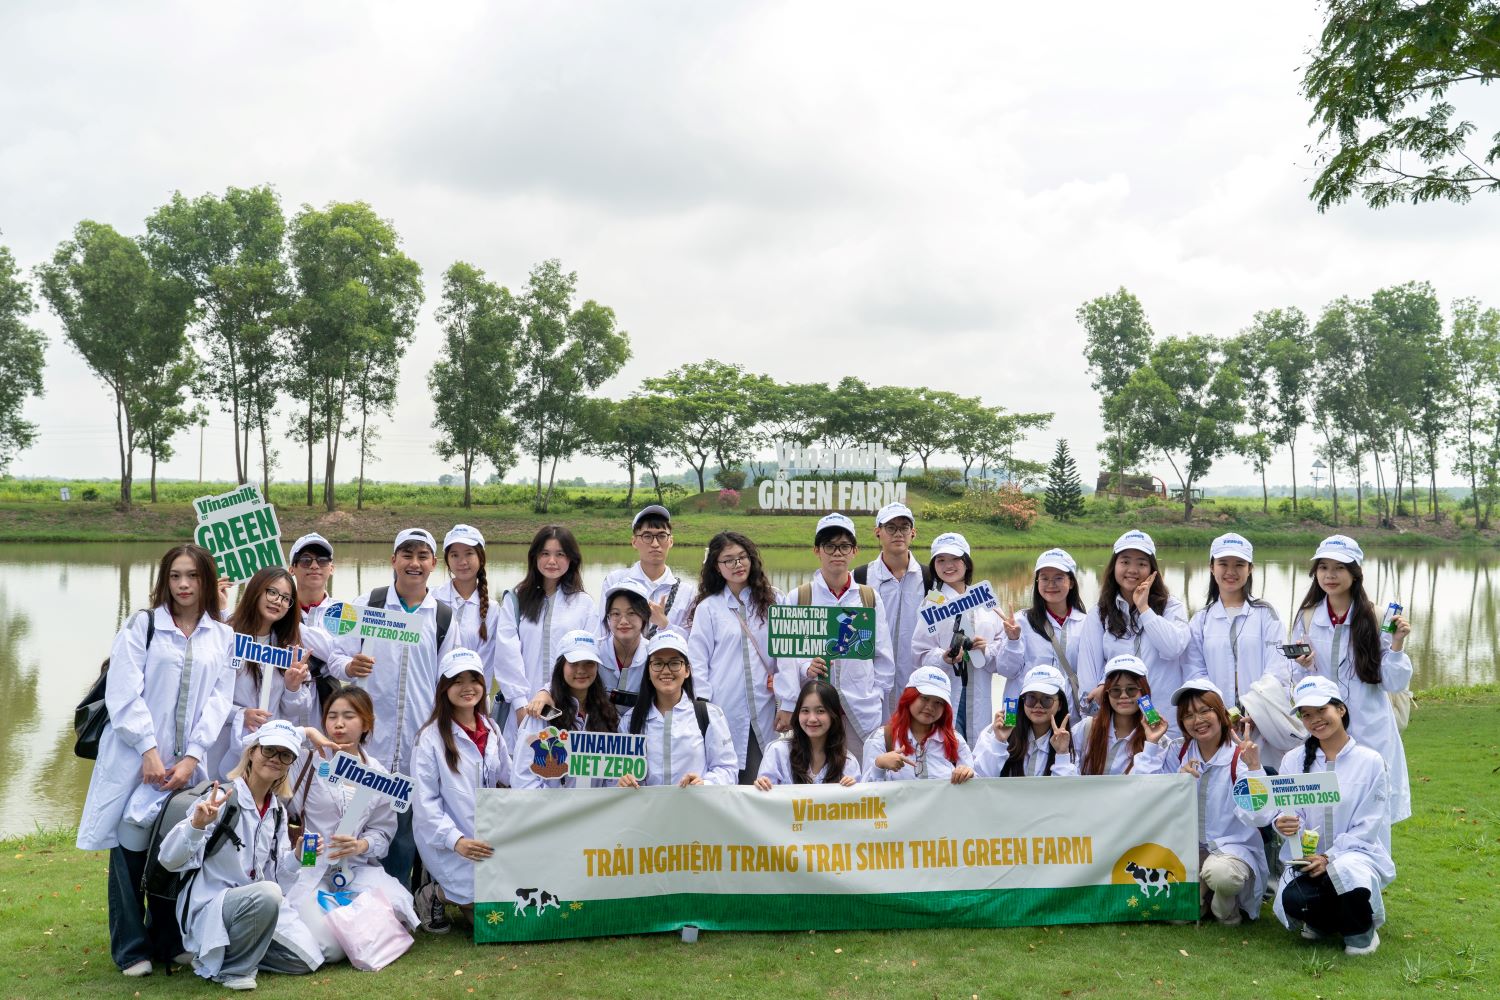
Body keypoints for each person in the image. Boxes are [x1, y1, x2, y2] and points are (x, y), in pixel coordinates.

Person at [77, 543, 235, 979]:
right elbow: (123, 693)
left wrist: (192, 757)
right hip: (135, 759)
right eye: (175, 576)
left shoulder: (222, 636)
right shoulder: (142, 625)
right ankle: (131, 948)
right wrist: (148, 750)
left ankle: (168, 939)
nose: (183, 585)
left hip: (187, 764)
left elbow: (218, 702)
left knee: (177, 847)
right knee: (129, 850)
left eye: (193, 576)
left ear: (207, 581)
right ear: (164, 580)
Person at [326, 528, 458, 886]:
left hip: (417, 743)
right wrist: (350, 666)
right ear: (393, 560)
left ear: (433, 563)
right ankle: (347, 892)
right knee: (355, 819)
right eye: (407, 555)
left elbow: (448, 680)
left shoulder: (442, 616)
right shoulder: (369, 603)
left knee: (403, 831)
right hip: (369, 742)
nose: (414, 563)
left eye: (422, 556)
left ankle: (398, 900)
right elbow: (336, 656)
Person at [157, 720, 324, 989]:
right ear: (252, 752)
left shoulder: (277, 812)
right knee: (268, 894)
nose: (275, 758)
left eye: (285, 755)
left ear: (290, 764)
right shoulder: (221, 798)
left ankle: (223, 954)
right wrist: (196, 826)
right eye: (269, 750)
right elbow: (168, 859)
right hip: (211, 906)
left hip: (254, 906)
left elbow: (277, 883)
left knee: (307, 960)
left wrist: (296, 856)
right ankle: (231, 971)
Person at [1260, 676, 1395, 955]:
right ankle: (1324, 923)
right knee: (1295, 898)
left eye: (1322, 710)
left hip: (1356, 855)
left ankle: (1361, 934)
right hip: (1306, 860)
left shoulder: (1370, 762)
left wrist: (1329, 857)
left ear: (1341, 709)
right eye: (1306, 715)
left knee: (1345, 872)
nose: (1315, 720)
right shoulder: (1293, 760)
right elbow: (1287, 811)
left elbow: (1368, 825)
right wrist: (1283, 823)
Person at [1290, 534, 1413, 825]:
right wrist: (1303, 666)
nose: (1330, 575)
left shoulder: (1376, 617)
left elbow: (1393, 682)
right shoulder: (1307, 617)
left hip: (1369, 726)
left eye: (1339, 568)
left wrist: (1397, 645)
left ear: (1355, 573)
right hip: (1323, 725)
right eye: (1323, 567)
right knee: (1324, 807)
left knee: (1372, 809)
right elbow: (1298, 681)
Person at [1132, 679, 1268, 925]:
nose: (1198, 720)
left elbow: (1259, 816)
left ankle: (1224, 910)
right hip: (1189, 849)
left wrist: (1254, 768)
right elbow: (1141, 792)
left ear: (1221, 713)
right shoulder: (1178, 751)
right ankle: (1201, 898)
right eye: (1188, 715)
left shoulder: (1240, 756)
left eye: (1205, 711)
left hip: (1231, 850)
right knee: (1177, 917)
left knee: (1221, 874)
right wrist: (1153, 744)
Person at [285, 687, 419, 935]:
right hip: (310, 864)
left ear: (366, 723)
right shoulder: (305, 761)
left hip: (354, 869)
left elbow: (382, 831)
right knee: (324, 933)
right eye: (332, 716)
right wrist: (307, 732)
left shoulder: (378, 773)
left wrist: (361, 845)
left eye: (349, 716)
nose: (339, 724)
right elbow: (256, 743)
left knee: (398, 905)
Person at [412, 648, 509, 934]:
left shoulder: (491, 729)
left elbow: (508, 777)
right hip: (449, 840)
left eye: (474, 679)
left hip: (488, 833)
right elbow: (424, 803)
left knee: (506, 912)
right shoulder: (429, 738)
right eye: (457, 681)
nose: (468, 688)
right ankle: (434, 894)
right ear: (444, 688)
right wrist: (457, 841)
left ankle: (460, 894)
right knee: (488, 923)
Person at [784, 513, 894, 762]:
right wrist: (806, 668)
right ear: (817, 550)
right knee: (816, 773)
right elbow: (787, 657)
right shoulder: (799, 597)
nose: (837, 553)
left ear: (854, 551)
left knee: (863, 774)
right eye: (829, 546)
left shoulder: (869, 597)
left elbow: (883, 656)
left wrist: (876, 694)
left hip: (861, 709)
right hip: (815, 711)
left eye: (844, 546)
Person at [688, 531, 791, 782]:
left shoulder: (775, 600)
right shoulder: (709, 608)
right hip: (723, 708)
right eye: (728, 560)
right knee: (721, 777)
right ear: (716, 566)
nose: (737, 564)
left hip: (766, 707)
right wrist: (704, 708)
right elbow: (698, 662)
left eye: (742, 557)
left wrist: (788, 703)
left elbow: (788, 656)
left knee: (762, 779)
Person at [1076, 529, 1190, 735]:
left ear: (1153, 569)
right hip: (1116, 723)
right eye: (1125, 562)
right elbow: (1089, 670)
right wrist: (1094, 717)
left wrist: (1144, 608)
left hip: (1162, 720)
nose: (1132, 570)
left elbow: (1173, 648)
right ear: (1114, 566)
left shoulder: (1171, 607)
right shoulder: (1100, 613)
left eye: (1142, 563)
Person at [212, 567, 315, 778]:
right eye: (272, 592)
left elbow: (295, 711)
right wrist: (240, 714)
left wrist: (292, 688)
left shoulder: (289, 648)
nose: (278, 601)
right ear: (256, 591)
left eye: (286, 598)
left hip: (268, 753)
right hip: (224, 744)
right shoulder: (226, 636)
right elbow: (205, 695)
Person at [910, 531, 1009, 741]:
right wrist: (943, 657)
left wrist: (986, 649)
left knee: (979, 743)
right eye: (941, 560)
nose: (948, 565)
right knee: (946, 744)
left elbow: (1003, 644)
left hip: (980, 687)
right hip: (946, 689)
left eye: (955, 558)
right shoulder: (932, 603)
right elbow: (920, 653)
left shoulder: (984, 598)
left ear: (967, 562)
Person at [1184, 533, 1289, 724]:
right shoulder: (1200, 619)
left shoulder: (1266, 614)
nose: (1230, 571)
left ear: (1250, 569)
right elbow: (1195, 671)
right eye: (1223, 564)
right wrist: (1216, 709)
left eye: (1239, 564)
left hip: (1261, 719)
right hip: (1215, 720)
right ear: (1211, 567)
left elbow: (1277, 668)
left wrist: (1257, 709)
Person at [502, 526, 597, 738]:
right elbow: (507, 655)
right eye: (545, 553)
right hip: (523, 710)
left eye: (560, 554)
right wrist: (519, 704)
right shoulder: (515, 599)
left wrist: (550, 691)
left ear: (571, 558)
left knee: (563, 755)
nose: (552, 561)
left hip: (567, 708)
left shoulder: (584, 604)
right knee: (523, 755)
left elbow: (589, 658)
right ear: (535, 557)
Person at [617, 630, 738, 788]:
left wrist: (705, 783)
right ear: (648, 672)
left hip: (693, 803)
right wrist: (621, 781)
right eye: (658, 663)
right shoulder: (630, 720)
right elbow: (615, 776)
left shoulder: (709, 715)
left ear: (687, 670)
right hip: (647, 805)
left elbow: (728, 770)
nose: (666, 671)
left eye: (674, 663)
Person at [511, 630, 622, 789]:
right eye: (573, 663)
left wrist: (619, 785)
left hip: (598, 805)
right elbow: (523, 780)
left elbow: (612, 774)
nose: (581, 670)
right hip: (549, 805)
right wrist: (561, 803)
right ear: (561, 666)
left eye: (589, 663)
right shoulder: (543, 712)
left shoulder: (607, 713)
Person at [434, 524, 522, 714]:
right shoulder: (431, 599)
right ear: (447, 560)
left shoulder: (493, 610)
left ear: (481, 558)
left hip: (472, 703)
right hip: (433, 700)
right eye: (454, 555)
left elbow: (488, 663)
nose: (462, 561)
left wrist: (473, 699)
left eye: (469, 554)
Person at [853, 502, 930, 713]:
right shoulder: (860, 577)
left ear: (913, 533)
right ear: (877, 532)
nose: (898, 533)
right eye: (891, 527)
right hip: (871, 685)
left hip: (918, 684)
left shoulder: (930, 579)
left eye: (904, 527)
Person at [997, 548, 1088, 720]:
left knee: (1066, 738)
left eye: (1058, 578)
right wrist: (1013, 640)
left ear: (1071, 582)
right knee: (1011, 737)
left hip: (1066, 711)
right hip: (1021, 713)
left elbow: (1089, 674)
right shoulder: (1020, 621)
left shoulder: (1086, 623)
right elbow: (1005, 670)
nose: (1051, 584)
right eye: (1044, 578)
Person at [862, 665, 976, 783]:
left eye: (938, 702)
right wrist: (879, 766)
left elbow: (975, 787)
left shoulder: (955, 740)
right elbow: (865, 791)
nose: (930, 707)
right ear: (909, 697)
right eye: (924, 698)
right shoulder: (882, 738)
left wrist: (968, 774)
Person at [599, 504, 691, 636]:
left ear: (671, 541)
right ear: (634, 542)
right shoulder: (615, 581)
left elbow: (691, 641)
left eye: (662, 536)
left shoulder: (686, 592)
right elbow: (603, 631)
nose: (655, 544)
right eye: (647, 536)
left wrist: (665, 625)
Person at [973, 665, 1076, 777]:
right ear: (1023, 701)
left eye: (1046, 699)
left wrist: (1062, 754)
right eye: (1031, 698)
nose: (1038, 705)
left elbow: (1068, 787)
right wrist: (999, 742)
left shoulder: (1069, 739)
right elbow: (980, 779)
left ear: (1060, 704)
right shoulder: (993, 732)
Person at [755, 681, 859, 788]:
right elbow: (765, 796)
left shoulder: (848, 762)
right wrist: (762, 786)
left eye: (820, 711)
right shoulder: (778, 752)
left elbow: (859, 797)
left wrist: (852, 788)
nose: (812, 719)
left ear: (833, 715)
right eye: (805, 711)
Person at [1072, 654, 1152, 776]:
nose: (1123, 696)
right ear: (1107, 694)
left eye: (1131, 689)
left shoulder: (1156, 738)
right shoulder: (1086, 728)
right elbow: (1068, 779)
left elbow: (1153, 784)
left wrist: (1152, 744)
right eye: (1115, 690)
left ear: (1144, 692)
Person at [287, 533, 339, 711]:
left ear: (331, 568)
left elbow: (343, 657)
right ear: (292, 569)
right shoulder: (275, 608)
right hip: (286, 706)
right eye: (305, 560)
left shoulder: (344, 613)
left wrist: (287, 623)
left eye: (322, 560)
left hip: (328, 707)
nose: (315, 566)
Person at [596, 579, 652, 699]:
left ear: (644, 615)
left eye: (631, 613)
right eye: (616, 614)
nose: (623, 621)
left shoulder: (653, 653)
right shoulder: (595, 651)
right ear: (608, 617)